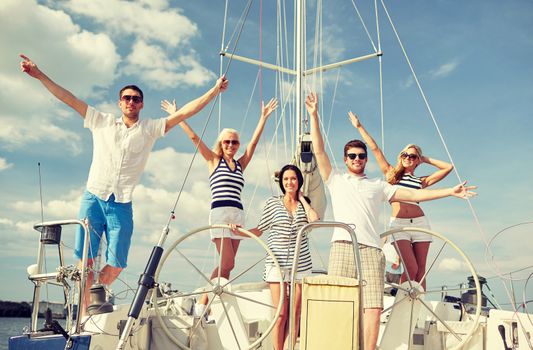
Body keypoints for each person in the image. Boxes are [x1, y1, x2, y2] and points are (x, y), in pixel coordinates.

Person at [20, 54, 228, 315]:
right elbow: (67, 97)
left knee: (117, 263)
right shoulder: (101, 121)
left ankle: (95, 293)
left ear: (141, 105)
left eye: (136, 99)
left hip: (121, 204)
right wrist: (39, 74)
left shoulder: (150, 129)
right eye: (127, 98)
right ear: (120, 103)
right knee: (85, 261)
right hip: (93, 197)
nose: (131, 101)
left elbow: (188, 110)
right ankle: (85, 316)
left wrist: (214, 90)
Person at [305, 92, 475, 350]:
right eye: (352, 156)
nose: (358, 159)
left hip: (372, 249)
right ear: (345, 159)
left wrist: (450, 192)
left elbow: (416, 194)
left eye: (361, 156)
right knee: (339, 302)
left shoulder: (379, 185)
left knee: (372, 307)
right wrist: (314, 115)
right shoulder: (335, 179)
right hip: (342, 246)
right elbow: (318, 150)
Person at [161, 97, 278, 317]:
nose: (231, 146)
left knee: (228, 268)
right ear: (221, 143)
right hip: (221, 215)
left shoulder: (240, 165)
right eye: (227, 142)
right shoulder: (214, 161)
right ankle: (202, 303)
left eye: (234, 142)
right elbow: (194, 137)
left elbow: (253, 145)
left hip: (238, 214)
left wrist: (263, 118)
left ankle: (203, 304)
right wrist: (177, 115)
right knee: (228, 262)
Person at [349, 112, 453, 290]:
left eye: (412, 156)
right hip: (399, 225)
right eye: (405, 154)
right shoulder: (391, 175)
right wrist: (359, 126)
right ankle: (403, 306)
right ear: (400, 156)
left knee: (421, 272)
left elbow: (448, 167)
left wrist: (424, 158)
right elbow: (374, 149)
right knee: (411, 268)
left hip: (421, 224)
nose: (408, 158)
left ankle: (417, 310)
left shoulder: (421, 181)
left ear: (417, 160)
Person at [247, 164, 319, 350]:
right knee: (281, 314)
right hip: (276, 264)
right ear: (281, 182)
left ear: (299, 181)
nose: (289, 182)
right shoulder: (272, 203)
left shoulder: (305, 204)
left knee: (295, 313)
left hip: (300, 265)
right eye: (286, 179)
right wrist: (239, 231)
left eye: (293, 179)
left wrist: (302, 199)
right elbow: (260, 228)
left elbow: (315, 220)